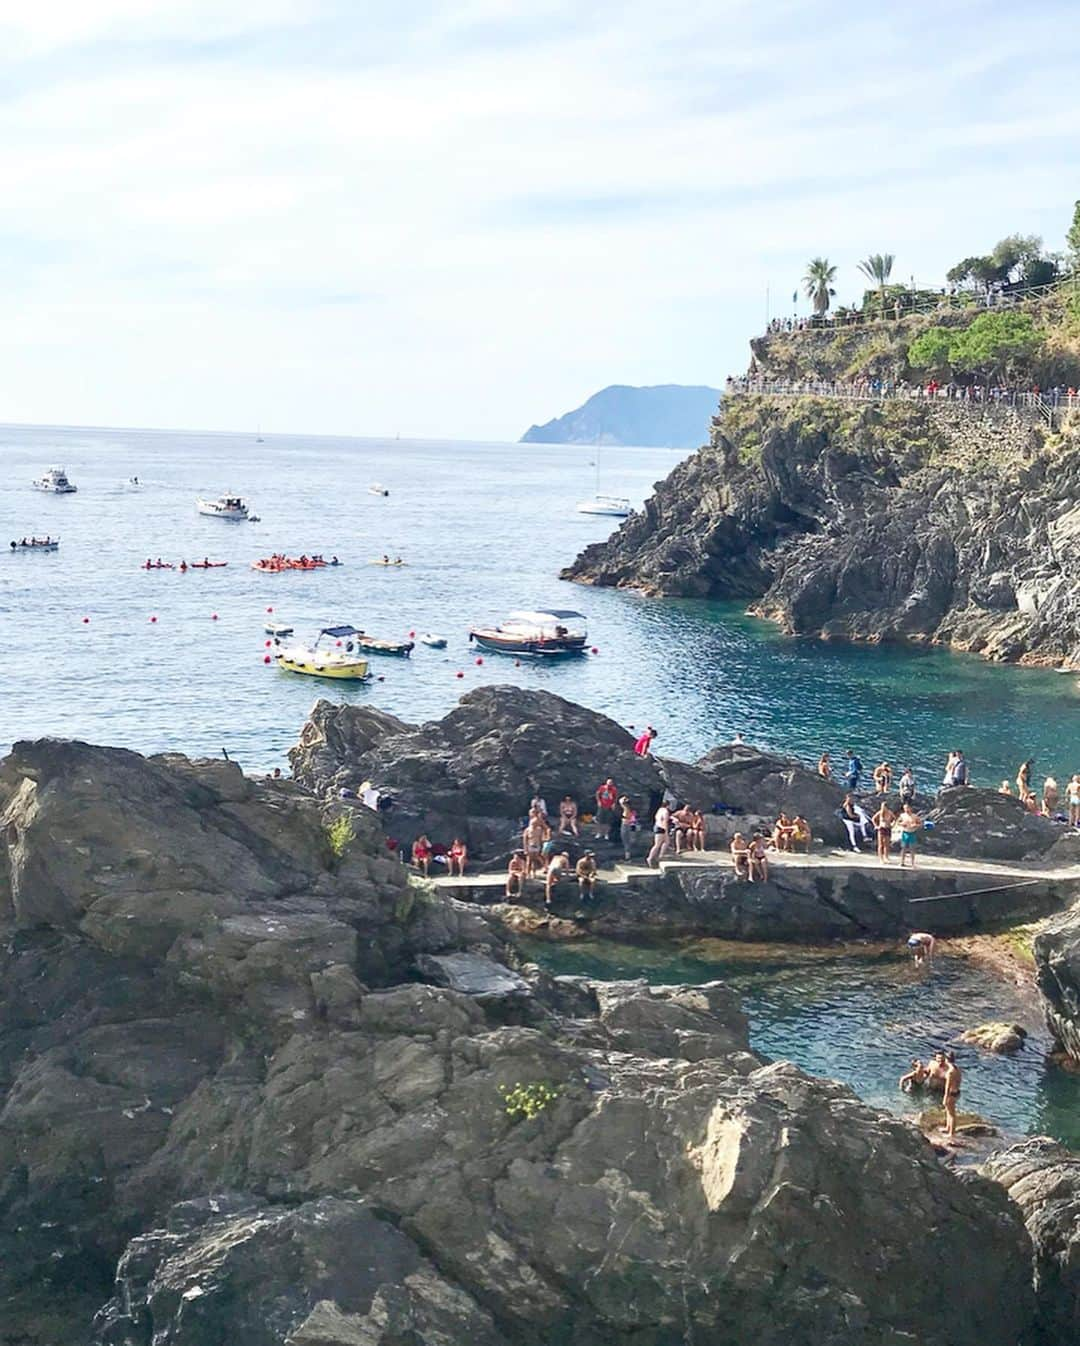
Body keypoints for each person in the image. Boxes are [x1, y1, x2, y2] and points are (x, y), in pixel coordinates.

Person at [941, 1051, 962, 1139]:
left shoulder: (950, 1072)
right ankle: (947, 1127)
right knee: (949, 1111)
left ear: (946, 1059)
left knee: (951, 1114)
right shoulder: (957, 1069)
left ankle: (951, 1133)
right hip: (957, 1091)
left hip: (951, 1093)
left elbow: (947, 1086)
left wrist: (945, 1097)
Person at [646, 801, 671, 868]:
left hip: (657, 826)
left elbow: (656, 818)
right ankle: (650, 857)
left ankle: (661, 855)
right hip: (661, 828)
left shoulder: (659, 810)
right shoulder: (666, 811)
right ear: (668, 805)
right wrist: (666, 831)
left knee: (666, 842)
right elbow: (665, 821)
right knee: (657, 844)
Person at [897, 803, 922, 868]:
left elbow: (920, 824)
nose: (906, 810)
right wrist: (902, 824)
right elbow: (898, 823)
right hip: (905, 832)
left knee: (912, 848)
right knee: (903, 848)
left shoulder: (915, 816)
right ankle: (902, 862)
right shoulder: (902, 815)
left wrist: (916, 825)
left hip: (912, 833)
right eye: (905, 808)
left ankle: (912, 863)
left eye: (907, 808)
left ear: (910, 808)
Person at [522, 810, 546, 877]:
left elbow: (541, 838)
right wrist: (525, 849)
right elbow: (525, 840)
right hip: (530, 845)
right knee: (529, 860)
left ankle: (534, 873)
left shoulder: (539, 829)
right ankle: (528, 873)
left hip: (537, 845)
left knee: (535, 860)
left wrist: (541, 846)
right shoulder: (527, 830)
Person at [617, 794, 637, 860]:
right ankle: (627, 856)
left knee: (626, 842)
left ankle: (627, 857)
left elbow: (621, 802)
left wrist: (623, 799)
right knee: (628, 842)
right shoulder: (633, 810)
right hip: (631, 826)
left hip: (626, 826)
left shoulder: (626, 809)